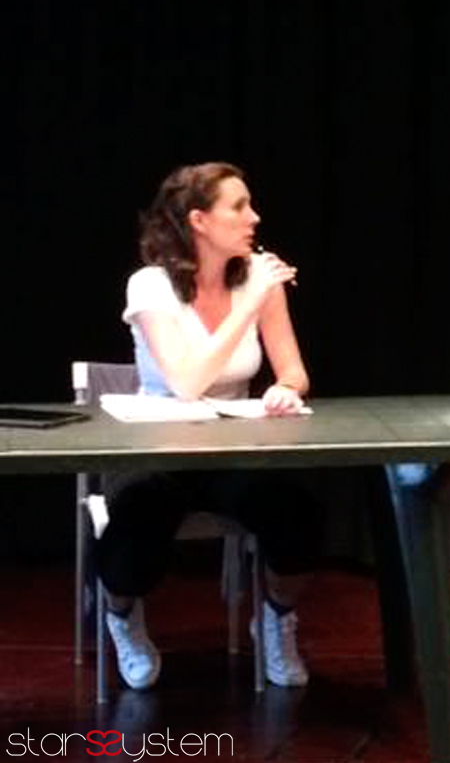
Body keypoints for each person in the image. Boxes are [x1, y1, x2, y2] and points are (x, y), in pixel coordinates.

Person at [95, 162, 324, 690]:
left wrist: (285, 388)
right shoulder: (150, 285)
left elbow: (294, 370)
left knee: (298, 514)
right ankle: (121, 615)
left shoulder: (258, 281)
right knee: (135, 536)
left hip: (231, 447)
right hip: (157, 448)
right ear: (199, 220)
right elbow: (187, 383)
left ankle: (275, 618)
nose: (254, 217)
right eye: (239, 206)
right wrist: (248, 304)